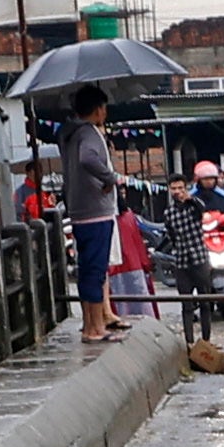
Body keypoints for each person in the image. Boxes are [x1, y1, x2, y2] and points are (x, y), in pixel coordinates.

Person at [59, 107, 128, 344]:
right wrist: (110, 178)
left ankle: (91, 324)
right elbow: (88, 158)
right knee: (96, 272)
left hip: (79, 210)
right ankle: (96, 328)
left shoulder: (68, 133)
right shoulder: (88, 133)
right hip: (96, 211)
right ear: (98, 109)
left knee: (87, 270)